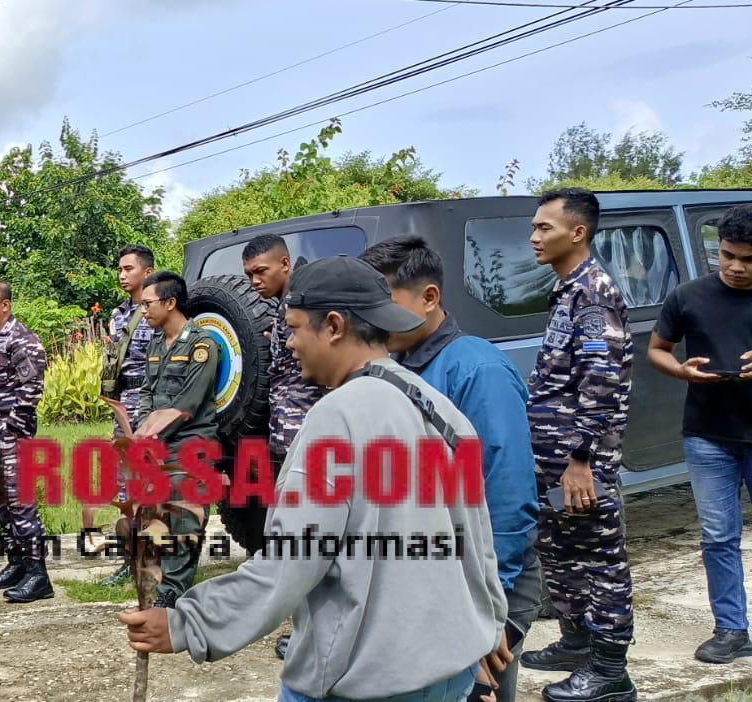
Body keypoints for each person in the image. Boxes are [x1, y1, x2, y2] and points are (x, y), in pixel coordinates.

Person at [120, 255, 507, 701]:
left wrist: (188, 623)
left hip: (365, 678)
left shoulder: (337, 418)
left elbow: (290, 561)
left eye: (295, 328)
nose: (288, 344)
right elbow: (477, 533)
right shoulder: (440, 409)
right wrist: (490, 618)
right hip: (449, 669)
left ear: (335, 326)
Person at [360, 236, 542, 702]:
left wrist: (488, 610)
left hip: (485, 582)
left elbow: (507, 494)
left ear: (429, 297)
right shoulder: (395, 368)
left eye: (383, 302)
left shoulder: (476, 369)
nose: (371, 318)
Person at [519, 188, 636, 702]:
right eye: (534, 226)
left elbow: (601, 379)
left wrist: (581, 458)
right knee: (561, 551)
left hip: (580, 461)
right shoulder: (568, 289)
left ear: (578, 232)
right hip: (555, 458)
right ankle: (576, 643)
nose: (534, 236)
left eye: (544, 227)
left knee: (599, 558)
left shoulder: (594, 293)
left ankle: (610, 671)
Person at [648, 203, 752, 664]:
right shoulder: (688, 295)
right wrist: (681, 371)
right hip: (707, 436)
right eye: (726, 255)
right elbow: (657, 349)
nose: (736, 266)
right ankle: (730, 630)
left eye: (749, 259)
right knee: (718, 536)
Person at [106, 271, 218, 607]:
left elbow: (188, 404)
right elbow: (148, 393)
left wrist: (149, 435)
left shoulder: (201, 344)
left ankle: (173, 592)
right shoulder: (156, 343)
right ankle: (161, 583)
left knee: (184, 519)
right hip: (158, 444)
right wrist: (142, 427)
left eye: (148, 304)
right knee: (157, 517)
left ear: (170, 303)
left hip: (191, 443)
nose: (143, 311)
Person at [244, 233, 325, 660]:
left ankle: (312, 631)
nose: (255, 281)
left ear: (285, 264)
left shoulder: (306, 304)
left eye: (261, 271)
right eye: (248, 275)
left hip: (307, 437)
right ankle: (305, 625)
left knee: (309, 534)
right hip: (286, 436)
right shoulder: (281, 309)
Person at [0, 281, 52, 603]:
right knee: (0, 502)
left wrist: (11, 430)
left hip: (9, 437)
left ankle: (38, 574)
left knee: (20, 502)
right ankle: (17, 563)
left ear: (5, 305)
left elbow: (31, 389)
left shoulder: (21, 340)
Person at [91, 245, 157, 586]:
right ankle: (130, 560)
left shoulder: (156, 309)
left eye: (128, 268)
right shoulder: (118, 314)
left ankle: (153, 560)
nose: (121, 274)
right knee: (124, 486)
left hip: (147, 402)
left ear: (147, 272)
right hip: (122, 405)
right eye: (119, 268)